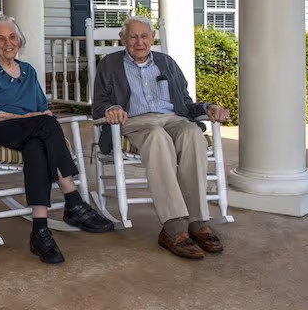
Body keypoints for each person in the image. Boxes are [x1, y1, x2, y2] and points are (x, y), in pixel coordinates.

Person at [0, 15, 114, 265]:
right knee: (46, 124)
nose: (7, 43)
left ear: (19, 40)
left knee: (36, 147)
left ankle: (40, 229)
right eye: (1, 38)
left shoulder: (27, 71)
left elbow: (40, 106)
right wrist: (21, 117)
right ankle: (73, 200)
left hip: (28, 131)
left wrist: (31, 118)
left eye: (12, 37)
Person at [92, 16, 231, 260]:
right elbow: (100, 103)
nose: (139, 42)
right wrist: (111, 109)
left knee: (192, 134)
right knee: (157, 138)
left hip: (172, 118)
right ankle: (174, 226)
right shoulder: (110, 64)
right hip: (136, 121)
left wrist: (208, 107)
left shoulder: (167, 63)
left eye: (144, 36)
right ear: (123, 39)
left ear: (152, 38)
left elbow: (185, 103)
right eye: (132, 36)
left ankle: (197, 221)